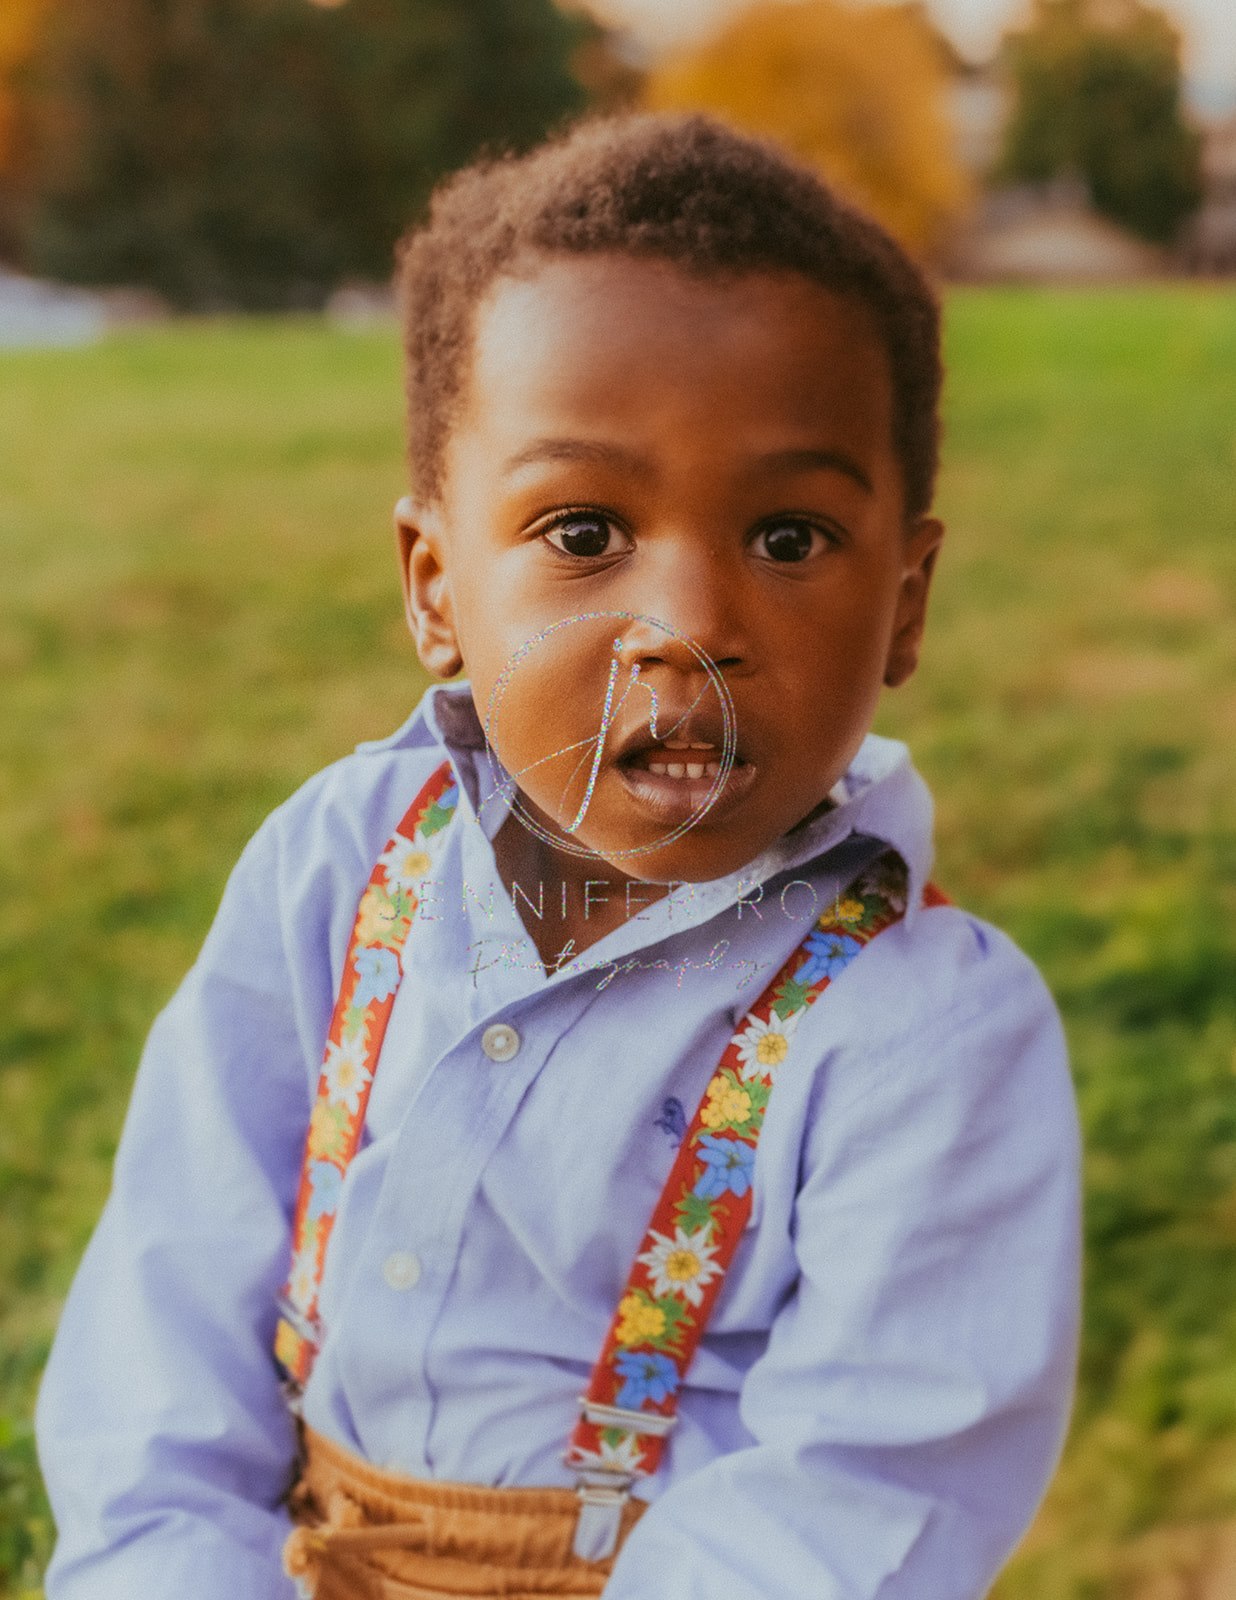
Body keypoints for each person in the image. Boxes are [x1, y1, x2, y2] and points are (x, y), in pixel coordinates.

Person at [36, 112, 1080, 1600]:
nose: (690, 620)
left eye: (788, 539)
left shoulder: (925, 1031)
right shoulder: (333, 870)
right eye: (584, 529)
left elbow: (867, 1491)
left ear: (904, 605)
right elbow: (170, 1304)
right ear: (437, 587)